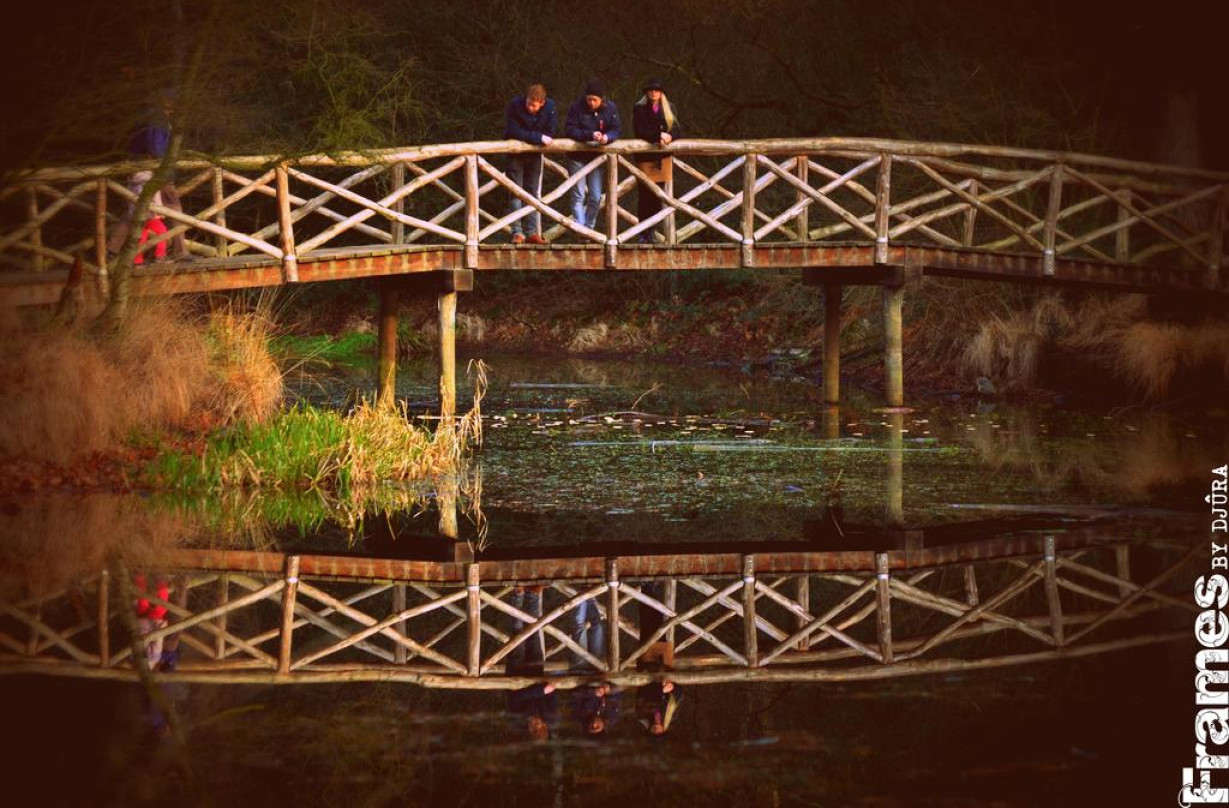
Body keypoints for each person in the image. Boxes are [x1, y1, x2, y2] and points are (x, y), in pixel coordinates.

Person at [108, 87, 187, 261]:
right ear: (168, 102)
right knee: (172, 205)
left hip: (141, 167)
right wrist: (166, 168)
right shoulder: (156, 117)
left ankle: (111, 249)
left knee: (136, 209)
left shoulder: (146, 114)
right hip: (153, 169)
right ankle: (180, 251)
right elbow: (155, 146)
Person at [563, 78, 621, 230]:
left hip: (596, 159)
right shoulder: (576, 107)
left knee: (595, 196)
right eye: (589, 99)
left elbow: (616, 129)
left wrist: (608, 137)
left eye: (595, 100)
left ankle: (589, 227)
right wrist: (590, 135)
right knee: (578, 196)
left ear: (602, 99)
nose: (591, 103)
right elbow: (569, 129)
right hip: (577, 157)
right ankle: (581, 229)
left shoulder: (610, 109)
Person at [504, 83, 556, 245]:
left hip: (534, 155)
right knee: (516, 192)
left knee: (533, 193)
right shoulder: (515, 105)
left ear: (542, 103)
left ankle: (532, 232)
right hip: (515, 154)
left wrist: (536, 137)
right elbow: (513, 131)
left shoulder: (550, 108)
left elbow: (550, 132)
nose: (530, 107)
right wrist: (537, 138)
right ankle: (517, 232)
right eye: (528, 103)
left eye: (534, 105)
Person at [632, 78, 680, 243]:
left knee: (659, 197)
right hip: (645, 158)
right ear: (647, 92)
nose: (653, 93)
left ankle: (652, 231)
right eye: (651, 90)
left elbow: (677, 129)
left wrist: (670, 136)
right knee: (645, 196)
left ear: (661, 93)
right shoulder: (639, 109)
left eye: (656, 90)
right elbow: (640, 131)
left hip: (662, 158)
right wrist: (658, 135)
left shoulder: (670, 108)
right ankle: (643, 233)